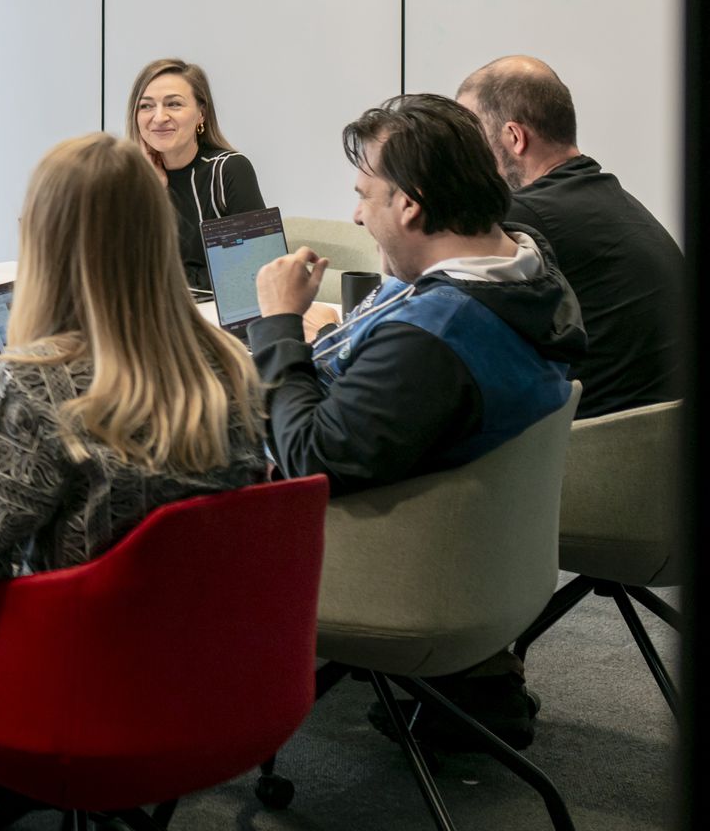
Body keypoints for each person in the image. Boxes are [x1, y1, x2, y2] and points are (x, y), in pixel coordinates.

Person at [0, 133, 271, 831]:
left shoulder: (35, 381)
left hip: (74, 685)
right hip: (212, 672)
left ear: (43, 241)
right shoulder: (230, 364)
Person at [250, 93, 585, 748]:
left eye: (365, 193)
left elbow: (308, 457)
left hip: (373, 553)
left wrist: (280, 326)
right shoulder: (523, 262)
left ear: (409, 203)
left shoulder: (439, 336)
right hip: (470, 544)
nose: (355, 212)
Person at [457, 55, 683, 418]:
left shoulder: (524, 217)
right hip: (658, 450)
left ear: (515, 137)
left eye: (471, 141)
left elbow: (452, 332)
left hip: (588, 452)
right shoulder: (617, 202)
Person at [125, 58, 265, 291]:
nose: (158, 117)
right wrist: (153, 192)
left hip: (218, 321)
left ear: (201, 114)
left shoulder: (228, 170)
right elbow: (118, 270)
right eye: (146, 106)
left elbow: (254, 274)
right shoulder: (128, 180)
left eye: (174, 104)